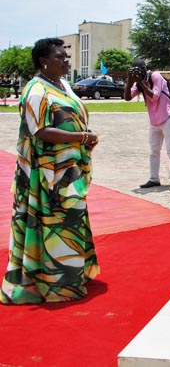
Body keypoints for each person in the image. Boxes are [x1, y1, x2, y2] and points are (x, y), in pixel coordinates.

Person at [1, 38, 100, 304]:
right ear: (44, 61)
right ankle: (54, 282)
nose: (67, 60)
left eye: (66, 56)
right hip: (47, 174)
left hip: (67, 169)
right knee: (56, 222)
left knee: (71, 219)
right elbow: (40, 131)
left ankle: (71, 275)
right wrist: (81, 137)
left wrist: (83, 137)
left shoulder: (61, 85)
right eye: (60, 56)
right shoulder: (35, 90)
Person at [123, 59, 170, 191]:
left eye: (140, 70)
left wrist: (139, 82)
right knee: (153, 151)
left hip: (167, 116)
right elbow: (127, 97)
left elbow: (154, 96)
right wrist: (130, 81)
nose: (138, 73)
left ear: (145, 69)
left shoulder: (156, 76)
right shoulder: (139, 82)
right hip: (154, 119)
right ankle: (154, 179)